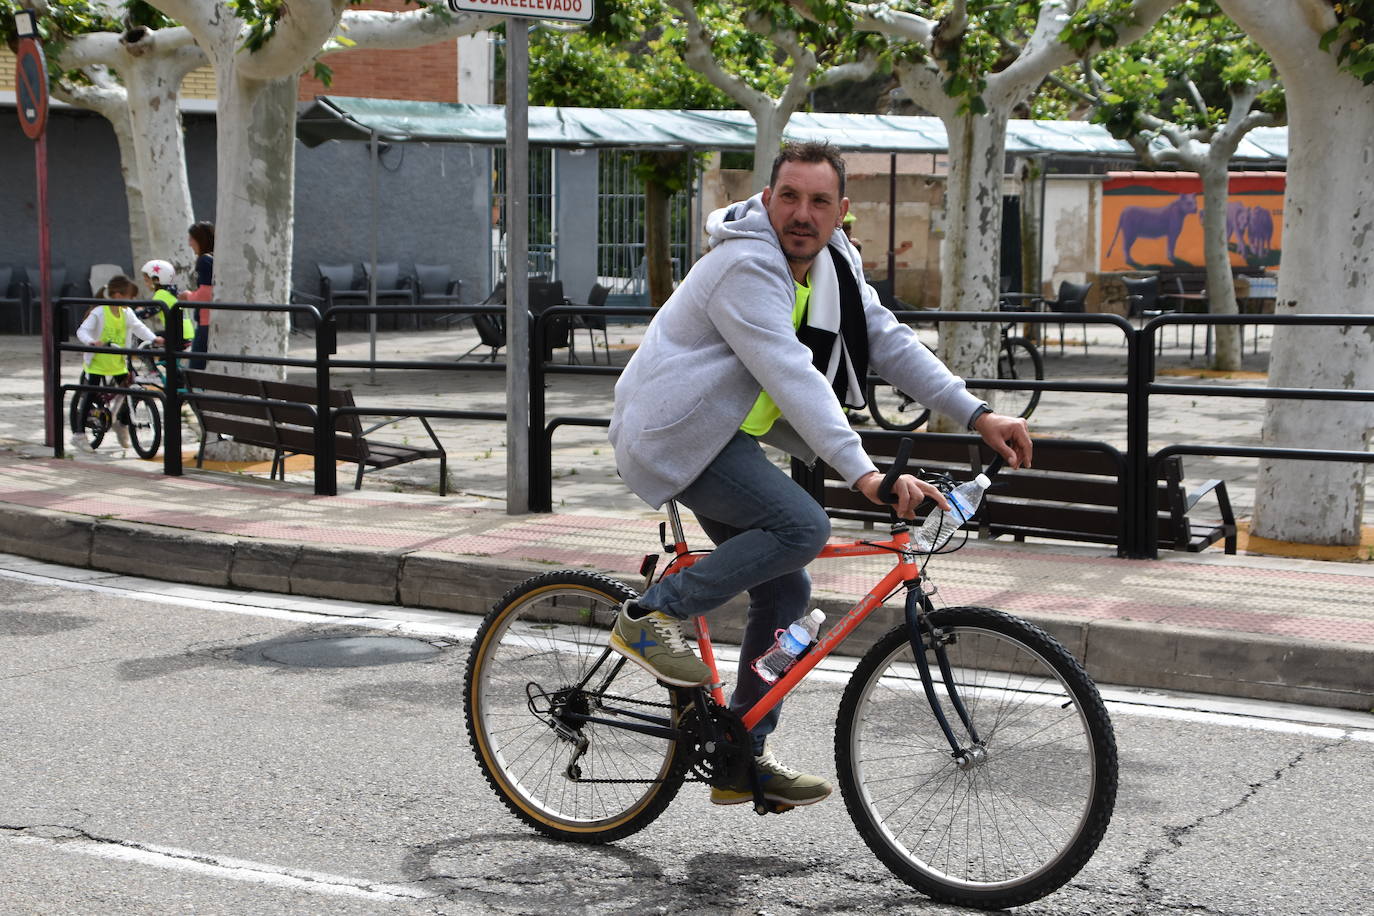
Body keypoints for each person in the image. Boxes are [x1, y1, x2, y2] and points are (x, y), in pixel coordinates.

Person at [607, 141, 1033, 809]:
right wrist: (865, 475)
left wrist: (976, 413)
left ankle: (739, 757)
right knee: (802, 528)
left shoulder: (835, 265)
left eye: (819, 201)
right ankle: (650, 615)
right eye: (789, 196)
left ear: (841, 213)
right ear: (767, 199)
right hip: (673, 435)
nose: (802, 213)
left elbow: (888, 342)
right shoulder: (746, 265)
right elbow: (792, 375)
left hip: (723, 435)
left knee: (787, 589)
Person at [72, 275, 164, 451]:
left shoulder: (126, 313)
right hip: (98, 362)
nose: (132, 301)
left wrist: (154, 339)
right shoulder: (100, 311)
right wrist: (91, 342)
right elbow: (82, 331)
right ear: (117, 295)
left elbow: (139, 327)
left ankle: (121, 423)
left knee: (131, 389)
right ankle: (79, 434)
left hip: (118, 361)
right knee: (91, 393)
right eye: (130, 297)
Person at [141, 258, 193, 348]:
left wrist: (134, 313)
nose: (145, 284)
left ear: (156, 280)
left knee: (144, 339)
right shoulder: (173, 292)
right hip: (187, 334)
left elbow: (147, 313)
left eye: (146, 280)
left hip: (177, 337)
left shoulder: (161, 294)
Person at [185, 221, 214, 370]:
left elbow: (205, 294)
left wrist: (187, 296)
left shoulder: (204, 261)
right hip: (212, 320)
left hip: (205, 322)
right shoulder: (214, 258)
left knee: (196, 367)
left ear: (200, 240)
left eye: (192, 239)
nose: (189, 244)